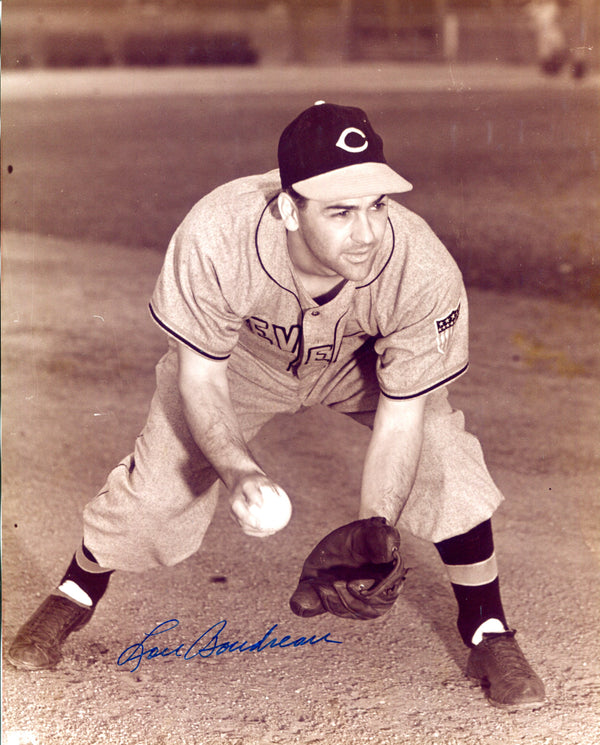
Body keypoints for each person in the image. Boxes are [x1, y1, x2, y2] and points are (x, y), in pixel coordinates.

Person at [8, 102, 545, 709]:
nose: (366, 232)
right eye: (340, 211)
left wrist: (374, 530)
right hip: (241, 365)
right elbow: (202, 380)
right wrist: (242, 473)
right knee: (158, 497)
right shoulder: (218, 235)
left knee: (444, 458)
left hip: (358, 365)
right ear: (289, 208)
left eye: (376, 205)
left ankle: (486, 627)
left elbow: (402, 419)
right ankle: (74, 593)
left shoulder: (420, 266)